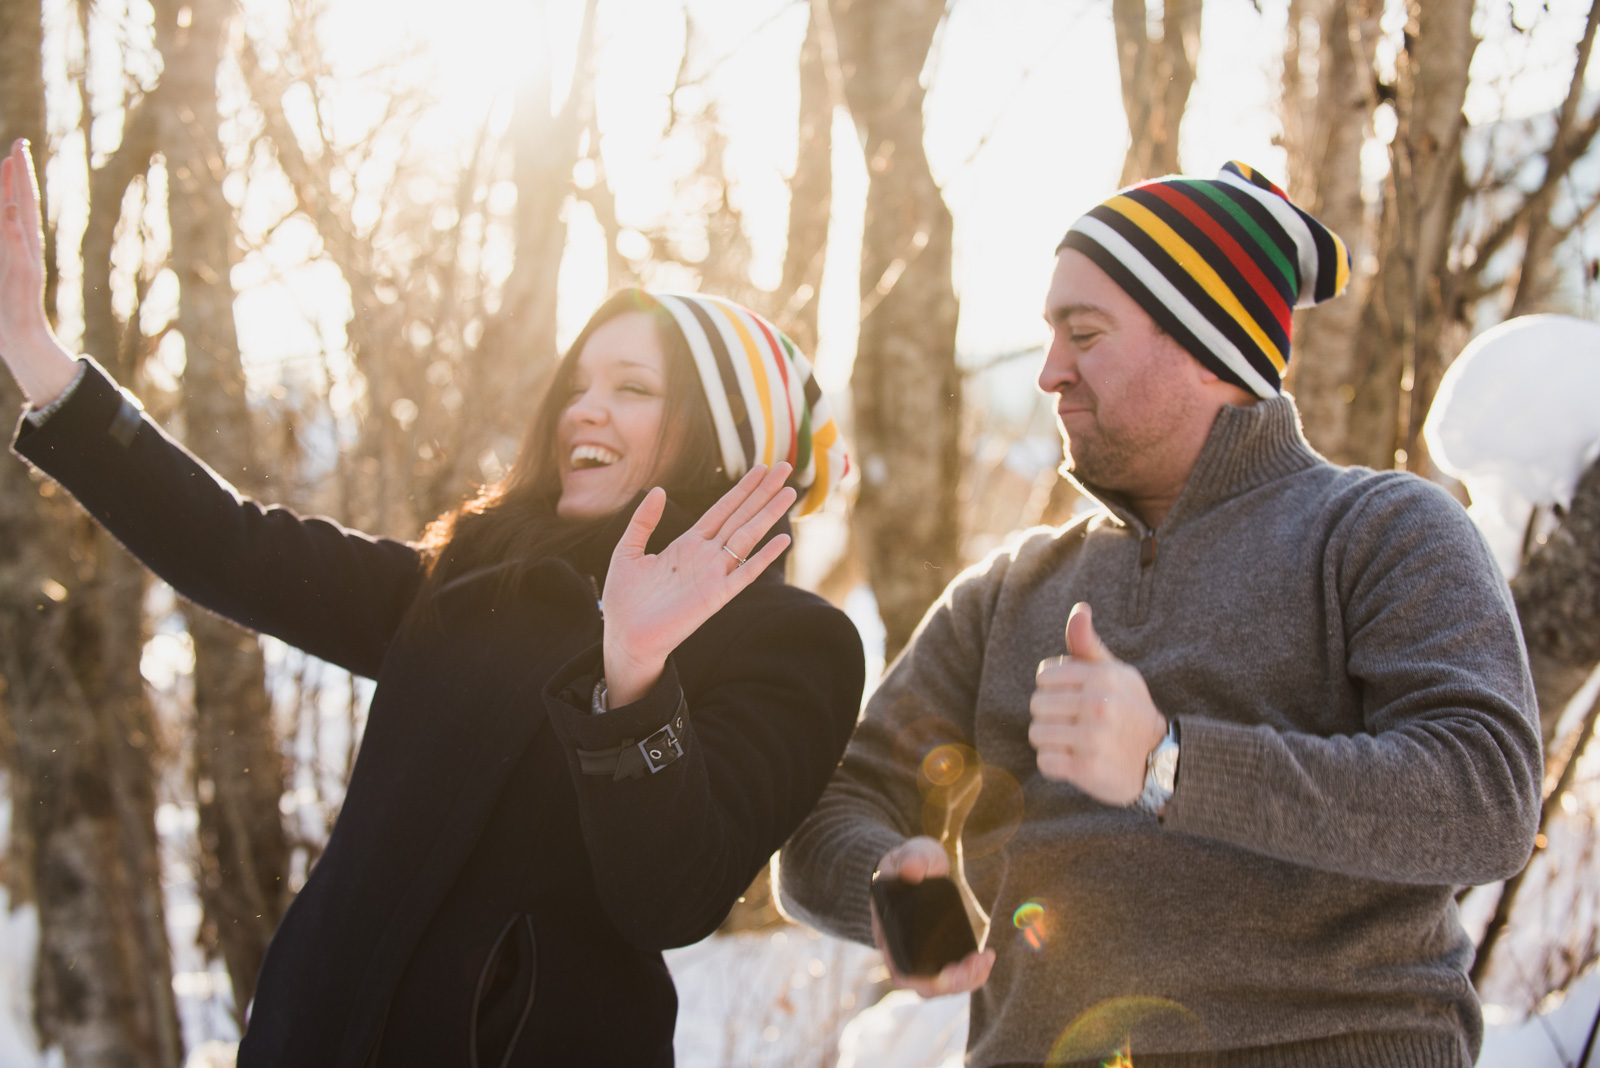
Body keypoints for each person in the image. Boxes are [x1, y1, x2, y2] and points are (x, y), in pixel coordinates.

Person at [0, 139, 865, 1067]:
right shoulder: (477, 578)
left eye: (633, 389)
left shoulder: (794, 644)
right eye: (577, 386)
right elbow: (237, 549)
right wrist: (36, 355)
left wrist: (636, 677)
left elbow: (675, 895)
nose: (583, 409)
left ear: (728, 440)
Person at [778, 161, 1543, 1068]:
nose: (1050, 372)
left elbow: (1486, 797)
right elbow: (832, 805)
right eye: (1051, 336)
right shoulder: (1010, 588)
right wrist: (888, 886)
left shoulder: (1381, 530)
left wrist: (1169, 762)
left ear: (1211, 346)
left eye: (1085, 333)